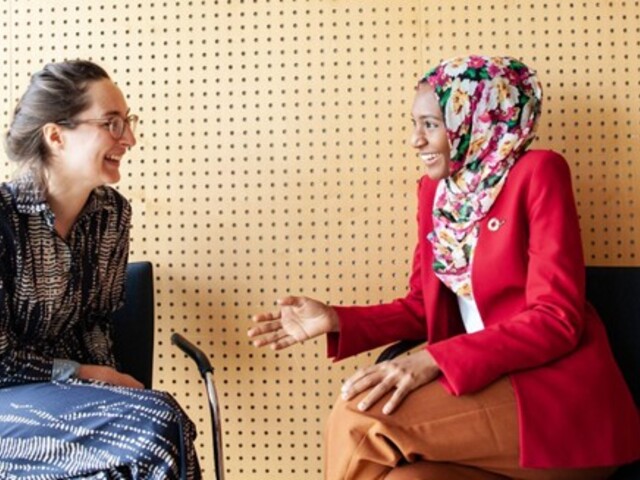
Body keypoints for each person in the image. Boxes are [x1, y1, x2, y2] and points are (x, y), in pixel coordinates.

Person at [249, 55, 640, 480]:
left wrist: (433, 360)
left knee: (359, 420)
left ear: (476, 119)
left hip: (554, 404)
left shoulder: (538, 172)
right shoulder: (437, 195)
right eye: (415, 124)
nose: (416, 140)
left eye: (432, 124)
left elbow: (555, 319)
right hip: (483, 392)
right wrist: (336, 319)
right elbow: (422, 306)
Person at [0, 60, 201, 479]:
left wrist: (111, 381)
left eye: (127, 122)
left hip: (66, 397)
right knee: (154, 427)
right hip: (8, 399)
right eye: (111, 123)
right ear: (56, 136)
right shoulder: (4, 219)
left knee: (153, 428)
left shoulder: (111, 214)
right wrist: (88, 374)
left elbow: (94, 322)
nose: (129, 138)